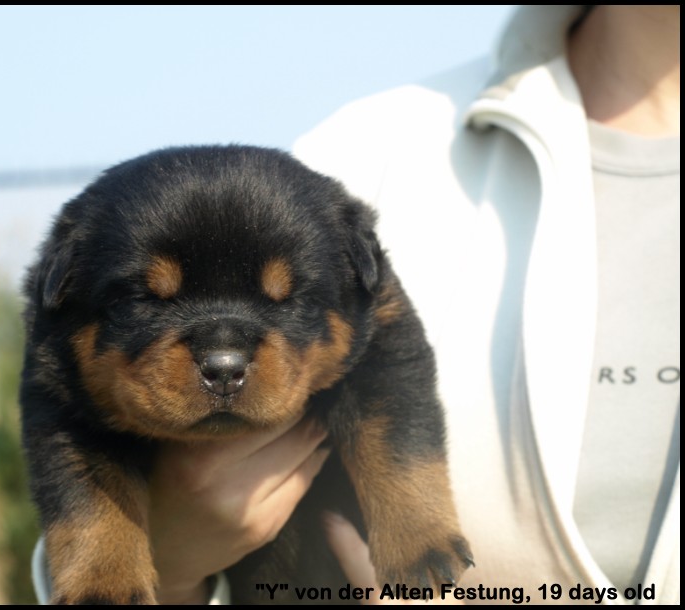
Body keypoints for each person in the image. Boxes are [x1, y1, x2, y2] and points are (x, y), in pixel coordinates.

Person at [33, 6, 680, 604]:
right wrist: (172, 562)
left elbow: (392, 374)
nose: (226, 353)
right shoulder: (364, 151)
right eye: (148, 300)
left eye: (282, 301)